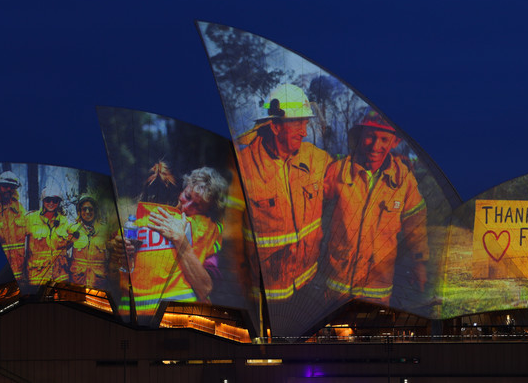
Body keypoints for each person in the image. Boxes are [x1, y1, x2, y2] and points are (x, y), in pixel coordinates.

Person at [235, 83, 332, 304]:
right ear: (276, 126)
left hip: (307, 284)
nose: (305, 132)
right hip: (267, 296)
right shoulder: (243, 167)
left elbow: (346, 179)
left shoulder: (317, 159)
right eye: (298, 123)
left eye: (306, 123)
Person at [323, 110, 428, 305]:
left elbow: (416, 224)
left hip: (377, 285)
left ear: (394, 142)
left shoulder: (404, 180)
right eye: (370, 136)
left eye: (383, 139)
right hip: (338, 283)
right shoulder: (339, 170)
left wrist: (419, 262)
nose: (375, 145)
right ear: (360, 135)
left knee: (374, 331)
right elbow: (311, 203)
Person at [125, 166, 227, 322]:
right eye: (187, 196)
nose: (186, 207)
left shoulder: (206, 231)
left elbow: (205, 287)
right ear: (183, 187)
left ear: (207, 213)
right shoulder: (139, 222)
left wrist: (180, 239)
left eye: (197, 206)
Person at [0, 171, 27, 283]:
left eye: (12, 187)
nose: (8, 189)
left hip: (20, 275)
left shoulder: (20, 209)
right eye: (5, 186)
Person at [24, 184, 70, 286]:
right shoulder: (30, 219)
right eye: (48, 200)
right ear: (43, 200)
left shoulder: (64, 221)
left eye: (55, 200)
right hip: (37, 276)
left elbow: (71, 245)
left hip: (60, 276)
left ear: (59, 202)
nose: (51, 203)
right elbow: (19, 246)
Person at [67, 195, 111, 290]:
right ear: (79, 212)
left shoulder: (105, 230)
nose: (87, 212)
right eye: (84, 209)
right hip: (77, 281)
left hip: (98, 283)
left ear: (95, 211)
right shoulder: (72, 229)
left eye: (90, 209)